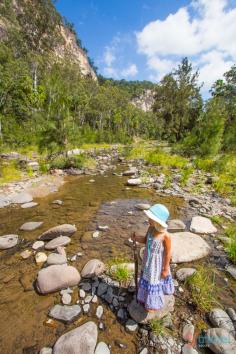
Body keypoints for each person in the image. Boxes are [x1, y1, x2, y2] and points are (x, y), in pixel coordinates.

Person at [131, 203, 174, 312]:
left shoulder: (165, 236)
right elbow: (145, 240)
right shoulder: (150, 229)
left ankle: (153, 303)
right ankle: (144, 297)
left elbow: (168, 254)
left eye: (150, 218)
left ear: (157, 220)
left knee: (154, 279)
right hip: (147, 261)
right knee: (147, 277)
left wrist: (165, 269)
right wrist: (136, 238)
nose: (148, 219)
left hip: (157, 264)